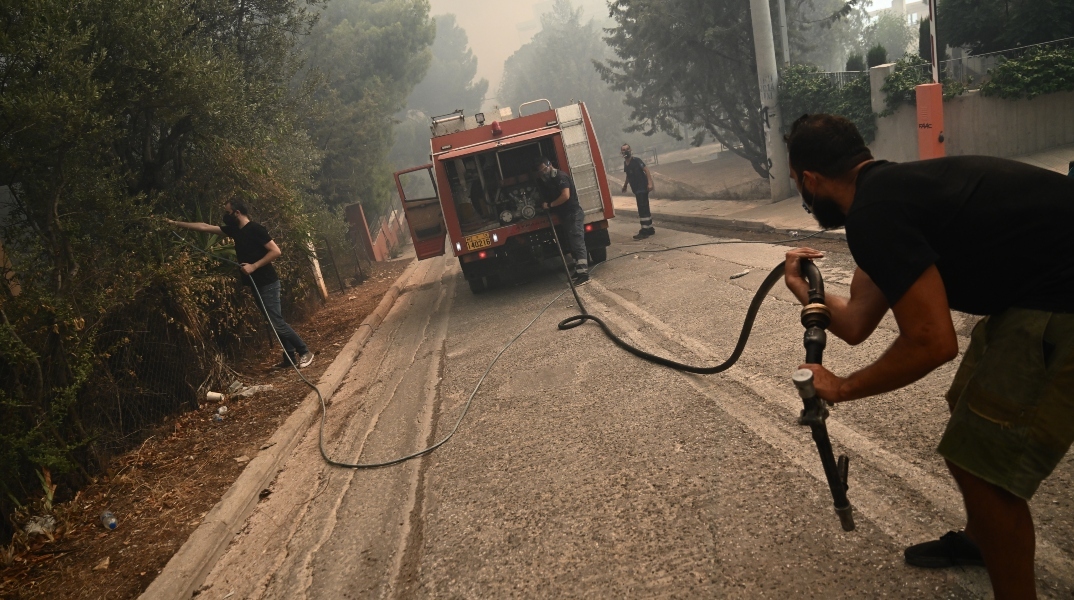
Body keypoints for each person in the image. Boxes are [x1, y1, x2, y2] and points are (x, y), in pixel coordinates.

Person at [782, 113, 1074, 600]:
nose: (805, 199)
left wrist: (843, 386)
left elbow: (933, 341)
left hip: (1060, 303)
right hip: (1031, 296)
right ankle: (985, 541)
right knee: (968, 408)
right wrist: (804, 289)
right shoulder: (888, 197)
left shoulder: (877, 215)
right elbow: (856, 321)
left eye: (799, 186)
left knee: (984, 471)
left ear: (810, 180)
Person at [169, 201, 315, 369]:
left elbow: (276, 251)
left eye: (227, 212)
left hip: (268, 282)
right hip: (256, 284)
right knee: (273, 320)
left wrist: (254, 266)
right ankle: (289, 358)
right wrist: (175, 224)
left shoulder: (256, 229)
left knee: (276, 322)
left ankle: (304, 351)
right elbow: (204, 227)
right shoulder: (235, 231)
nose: (225, 216)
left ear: (237, 213)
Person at [534, 156, 589, 286]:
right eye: (541, 172)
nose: (544, 173)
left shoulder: (560, 177)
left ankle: (584, 274)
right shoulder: (550, 181)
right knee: (572, 244)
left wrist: (551, 205)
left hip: (573, 214)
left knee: (577, 243)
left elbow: (565, 195)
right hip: (566, 216)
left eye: (544, 170)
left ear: (550, 165)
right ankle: (578, 270)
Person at [620, 144, 656, 240]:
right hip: (635, 188)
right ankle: (650, 228)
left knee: (642, 209)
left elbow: (646, 170)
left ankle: (644, 230)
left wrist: (650, 183)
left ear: (631, 150)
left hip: (642, 188)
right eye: (624, 150)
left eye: (627, 149)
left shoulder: (636, 160)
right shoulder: (626, 164)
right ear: (621, 153)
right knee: (644, 207)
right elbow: (628, 174)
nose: (626, 151)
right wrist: (625, 185)